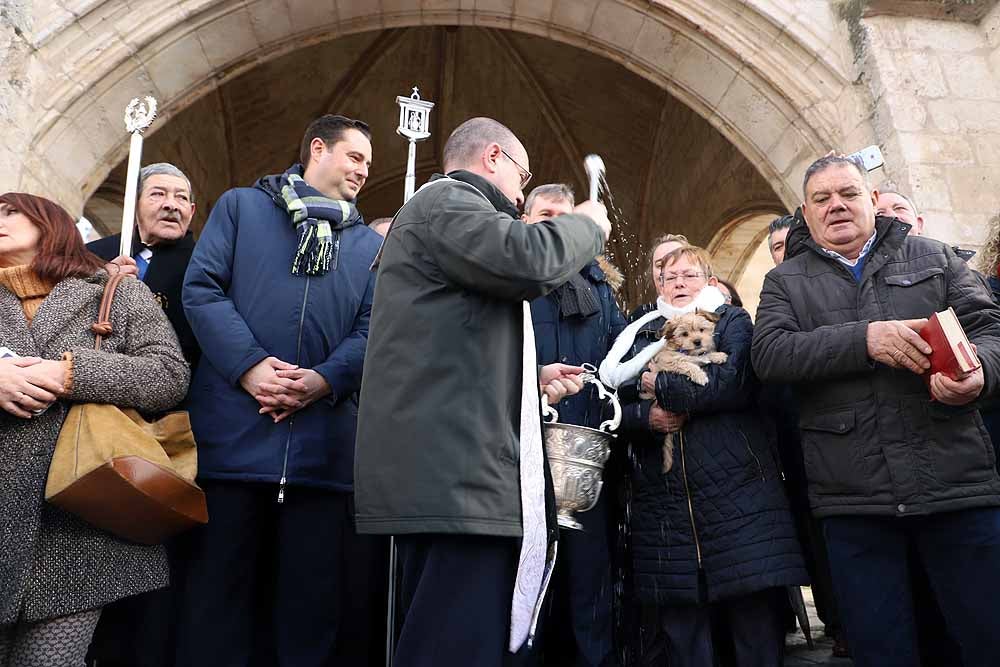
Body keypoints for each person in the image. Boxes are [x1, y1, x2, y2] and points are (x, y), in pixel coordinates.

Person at [354, 117, 611, 667]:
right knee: (452, 646)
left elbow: (451, 343)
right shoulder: (447, 200)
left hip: (458, 478)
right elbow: (528, 259)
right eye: (523, 176)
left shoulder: (444, 215)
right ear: (493, 158)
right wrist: (587, 226)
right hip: (454, 485)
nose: (520, 195)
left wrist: (527, 380)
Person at [752, 154, 1000, 667]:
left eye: (847, 194)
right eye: (822, 199)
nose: (836, 206)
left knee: (984, 638)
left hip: (955, 486)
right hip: (855, 503)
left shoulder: (933, 257)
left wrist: (982, 375)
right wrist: (863, 339)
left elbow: (991, 331)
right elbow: (770, 354)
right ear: (805, 211)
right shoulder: (785, 283)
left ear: (871, 200)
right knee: (883, 650)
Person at [177, 114, 382, 666]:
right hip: (233, 448)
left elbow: (374, 328)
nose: (364, 170)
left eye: (368, 162)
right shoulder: (242, 208)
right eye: (355, 156)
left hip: (321, 458)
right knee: (217, 603)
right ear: (318, 148)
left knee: (308, 613)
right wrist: (250, 367)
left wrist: (323, 379)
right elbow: (202, 289)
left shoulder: (367, 246)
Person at [0, 192, 189, 666]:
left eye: (8, 211)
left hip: (77, 524)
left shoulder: (113, 289)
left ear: (52, 223)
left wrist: (71, 374)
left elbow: (168, 375)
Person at [599, 244, 806, 666]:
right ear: (657, 283)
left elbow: (732, 382)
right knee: (684, 630)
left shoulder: (732, 320)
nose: (679, 284)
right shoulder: (638, 331)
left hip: (739, 493)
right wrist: (645, 418)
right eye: (669, 276)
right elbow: (610, 399)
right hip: (664, 501)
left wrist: (662, 387)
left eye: (689, 275)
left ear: (709, 281)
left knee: (752, 622)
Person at [522, 183, 627, 666]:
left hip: (586, 462)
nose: (557, 223)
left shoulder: (602, 291)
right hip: (521, 458)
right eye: (546, 214)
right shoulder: (513, 284)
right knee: (527, 587)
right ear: (525, 222)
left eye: (566, 216)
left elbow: (615, 369)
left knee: (591, 585)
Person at [761, 212, 848, 659]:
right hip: (797, 440)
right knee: (816, 532)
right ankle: (837, 621)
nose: (786, 256)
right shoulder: (775, 301)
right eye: (777, 249)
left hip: (848, 437)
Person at [87, 162, 200, 368]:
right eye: (158, 194)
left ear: (191, 211)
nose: (171, 205)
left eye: (181, 197)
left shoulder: (206, 264)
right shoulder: (90, 255)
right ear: (134, 204)